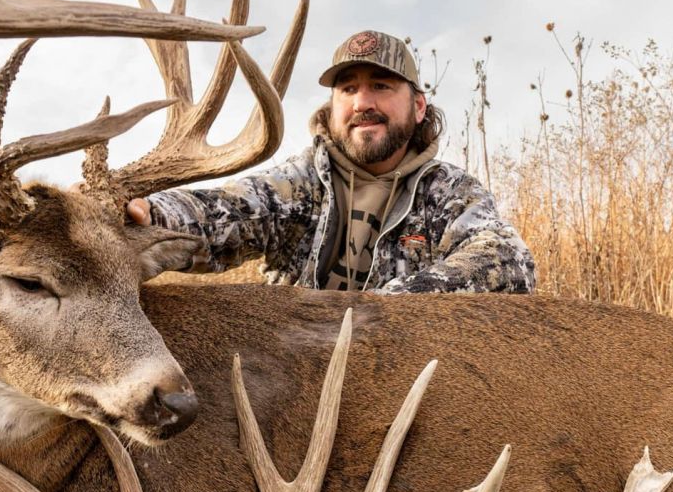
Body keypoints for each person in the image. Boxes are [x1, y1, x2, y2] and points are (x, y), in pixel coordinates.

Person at [126, 30, 535, 294]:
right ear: (332, 105)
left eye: (380, 86)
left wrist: (390, 306)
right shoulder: (302, 184)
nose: (362, 102)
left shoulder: (446, 192)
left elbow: (508, 261)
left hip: (401, 369)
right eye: (348, 88)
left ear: (419, 105)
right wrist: (149, 214)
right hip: (298, 373)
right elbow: (226, 213)